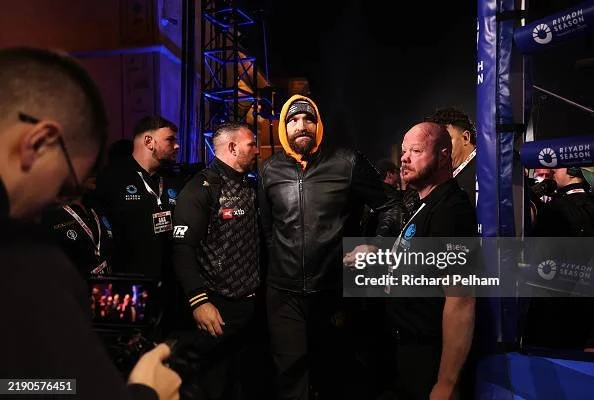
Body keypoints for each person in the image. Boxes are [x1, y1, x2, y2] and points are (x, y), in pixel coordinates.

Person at [0, 47, 180, 399]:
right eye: (66, 185)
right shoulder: (25, 258)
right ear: (38, 143)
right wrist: (146, 392)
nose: (54, 202)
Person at [259, 95, 404, 400]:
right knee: (289, 378)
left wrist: (375, 245)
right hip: (284, 295)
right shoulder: (269, 169)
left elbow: (391, 205)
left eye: (308, 119)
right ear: (283, 127)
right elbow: (268, 229)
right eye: (293, 120)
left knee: (335, 376)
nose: (302, 126)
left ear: (319, 124)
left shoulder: (347, 162)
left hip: (333, 291)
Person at [385, 122, 476, 400]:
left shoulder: (450, 211)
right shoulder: (426, 204)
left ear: (443, 156)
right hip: (407, 353)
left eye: (415, 151)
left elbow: (461, 299)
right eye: (404, 152)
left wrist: (447, 381)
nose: (404, 158)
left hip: (429, 359)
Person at [172, 122, 261, 398]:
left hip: (250, 308)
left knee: (242, 384)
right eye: (251, 144)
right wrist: (199, 300)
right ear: (232, 147)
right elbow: (182, 248)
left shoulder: (249, 185)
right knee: (213, 385)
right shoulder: (201, 188)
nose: (257, 150)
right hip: (217, 308)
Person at [95, 115, 181, 278]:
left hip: (168, 282)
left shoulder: (174, 180)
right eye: (170, 140)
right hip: (129, 282)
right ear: (149, 142)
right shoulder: (112, 179)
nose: (177, 146)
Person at [522, 166, 594, 351]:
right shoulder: (583, 203)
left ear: (574, 170)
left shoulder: (556, 208)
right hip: (584, 306)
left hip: (553, 306)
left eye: (559, 167)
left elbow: (538, 257)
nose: (553, 171)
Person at [42, 175, 114, 276]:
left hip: (107, 282)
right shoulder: (50, 215)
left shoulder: (97, 206)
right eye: (91, 168)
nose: (94, 173)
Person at [426, 107, 477, 205]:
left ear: (465, 138)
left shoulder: (486, 172)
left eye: (446, 140)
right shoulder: (447, 175)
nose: (440, 149)